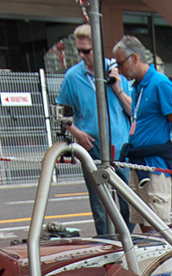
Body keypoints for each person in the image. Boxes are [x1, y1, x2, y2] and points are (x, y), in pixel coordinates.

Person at [56, 24, 132, 236]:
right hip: (92, 148)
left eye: (86, 51)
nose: (82, 56)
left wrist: (117, 89)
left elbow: (132, 109)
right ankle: (107, 245)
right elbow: (61, 112)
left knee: (129, 203)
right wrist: (77, 133)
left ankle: (131, 243)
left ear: (97, 48)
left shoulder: (117, 71)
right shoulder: (73, 77)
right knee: (101, 205)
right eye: (79, 51)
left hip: (121, 147)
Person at [112, 35, 172, 231]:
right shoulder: (138, 87)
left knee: (158, 229)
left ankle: (162, 262)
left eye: (120, 64)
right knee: (143, 224)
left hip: (156, 166)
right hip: (139, 164)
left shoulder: (160, 83)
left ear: (134, 58)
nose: (119, 69)